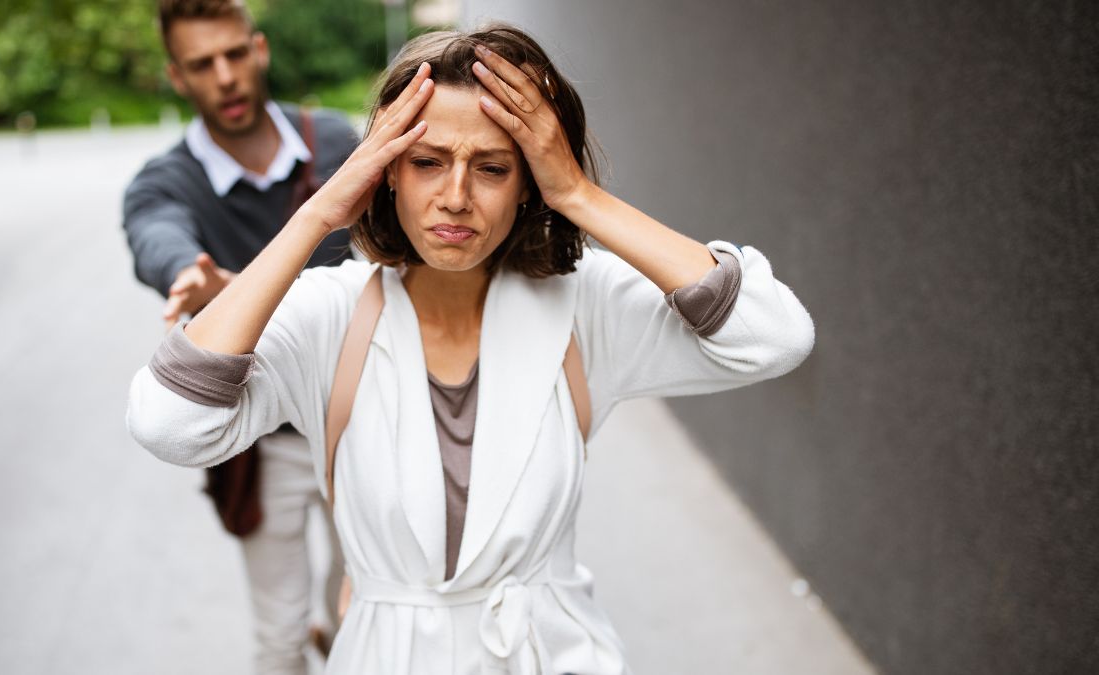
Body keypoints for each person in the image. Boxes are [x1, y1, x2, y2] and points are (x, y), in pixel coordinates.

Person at [127, 24, 815, 674]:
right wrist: (316, 217)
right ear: (388, 171)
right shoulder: (330, 311)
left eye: (491, 167)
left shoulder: (585, 305)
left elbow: (773, 335)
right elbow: (168, 423)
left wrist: (579, 193)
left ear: (528, 186)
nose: (455, 197)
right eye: (427, 162)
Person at [121, 1, 356, 672]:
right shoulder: (169, 180)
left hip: (357, 421)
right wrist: (186, 273)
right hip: (262, 446)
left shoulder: (337, 143)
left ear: (259, 50)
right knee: (280, 636)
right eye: (201, 64)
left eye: (232, 55)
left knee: (363, 607)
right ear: (176, 75)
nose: (223, 76)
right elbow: (154, 231)